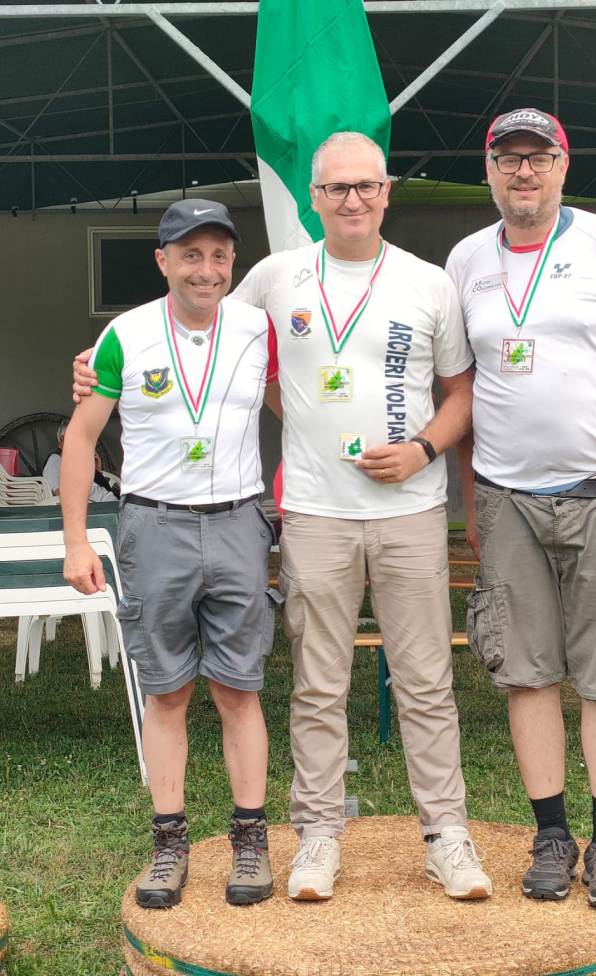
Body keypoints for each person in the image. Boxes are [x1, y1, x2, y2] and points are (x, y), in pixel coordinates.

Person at [75, 131, 492, 903]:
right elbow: (196, 330)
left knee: (427, 682)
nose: (352, 200)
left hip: (411, 510)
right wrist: (99, 363)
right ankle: (318, 837)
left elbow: (462, 393)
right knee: (317, 686)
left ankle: (447, 836)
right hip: (314, 513)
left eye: (366, 186)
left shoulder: (429, 283)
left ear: (386, 192)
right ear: (314, 197)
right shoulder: (275, 277)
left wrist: (423, 448)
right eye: (336, 188)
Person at [447, 108, 596, 909]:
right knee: (527, 673)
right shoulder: (467, 259)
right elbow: (464, 388)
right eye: (508, 158)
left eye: (538, 157)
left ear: (563, 166)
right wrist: (472, 501)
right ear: (488, 170)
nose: (523, 171)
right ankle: (552, 834)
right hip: (507, 501)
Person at [62, 199, 279, 910]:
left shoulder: (259, 329)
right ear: (163, 261)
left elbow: (305, 402)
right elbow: (80, 439)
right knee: (168, 692)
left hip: (239, 522)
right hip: (154, 528)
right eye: (190, 255)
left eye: (218, 255)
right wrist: (75, 541)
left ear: (233, 262)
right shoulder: (124, 336)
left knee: (239, 690)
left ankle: (250, 841)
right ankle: (169, 844)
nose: (205, 270)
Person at [43, 419, 118, 501]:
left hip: (112, 503)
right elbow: (61, 492)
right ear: (61, 441)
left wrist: (96, 473)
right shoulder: (55, 460)